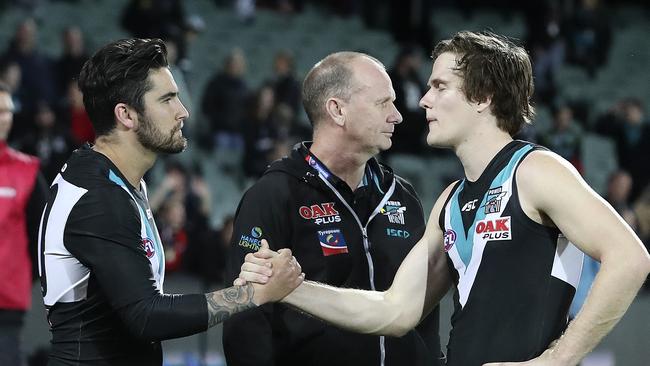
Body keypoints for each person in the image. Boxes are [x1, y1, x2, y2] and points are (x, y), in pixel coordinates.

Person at [238, 31, 650, 365]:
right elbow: (394, 311)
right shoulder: (450, 200)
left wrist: (557, 361)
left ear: (484, 95)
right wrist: (289, 288)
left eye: (440, 86)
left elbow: (630, 258)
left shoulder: (536, 170)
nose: (422, 100)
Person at [37, 38, 303, 366]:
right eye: (167, 99)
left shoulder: (117, 181)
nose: (183, 111)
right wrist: (253, 294)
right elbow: (147, 315)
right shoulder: (99, 197)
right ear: (126, 115)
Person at [224, 51, 442, 366]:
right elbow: (245, 318)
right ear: (337, 110)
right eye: (383, 103)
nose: (397, 115)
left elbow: (425, 308)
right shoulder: (274, 193)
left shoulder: (402, 196)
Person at [0, 81, 48, 366]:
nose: (5, 117)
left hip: (6, 304)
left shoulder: (27, 170)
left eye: (8, 110)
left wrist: (20, 274)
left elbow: (42, 235)